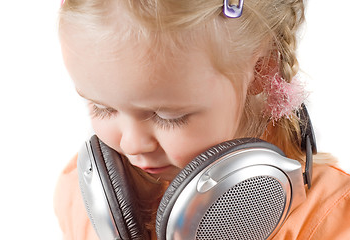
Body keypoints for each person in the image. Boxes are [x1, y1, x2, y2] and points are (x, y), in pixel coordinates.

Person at [54, 0, 350, 239]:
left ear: (261, 68)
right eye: (101, 108)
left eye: (168, 116)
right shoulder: (82, 200)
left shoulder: (329, 218)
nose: (132, 144)